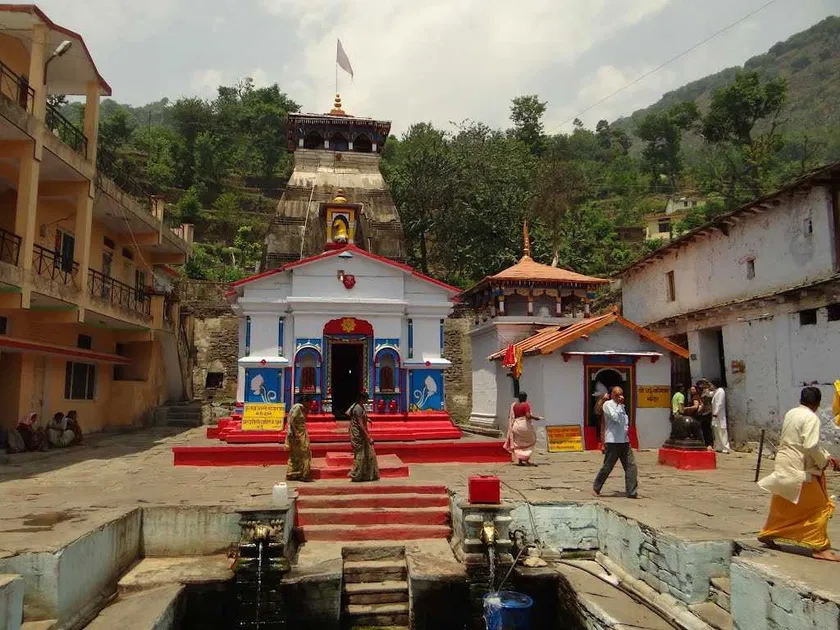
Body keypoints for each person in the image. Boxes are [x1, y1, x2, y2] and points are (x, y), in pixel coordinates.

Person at [757, 387, 840, 561]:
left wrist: (826, 456)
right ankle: (820, 547)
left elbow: (798, 443)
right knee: (821, 506)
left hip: (784, 464)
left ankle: (769, 532)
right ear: (817, 403)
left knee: (783, 504)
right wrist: (824, 461)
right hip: (800, 470)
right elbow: (809, 446)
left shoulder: (791, 413)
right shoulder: (811, 418)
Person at [592, 387, 638, 499]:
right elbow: (615, 418)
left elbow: (625, 422)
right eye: (617, 395)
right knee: (608, 466)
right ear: (612, 395)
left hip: (624, 441)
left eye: (621, 394)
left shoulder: (622, 406)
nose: (620, 397)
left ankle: (631, 492)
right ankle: (596, 487)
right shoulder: (608, 405)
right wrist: (618, 405)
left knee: (631, 466)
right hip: (613, 441)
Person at [503, 392, 544, 466]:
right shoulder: (525, 404)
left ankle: (520, 461)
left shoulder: (514, 405)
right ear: (525, 397)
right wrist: (536, 418)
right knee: (531, 441)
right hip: (524, 425)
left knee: (519, 443)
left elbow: (510, 416)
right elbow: (528, 416)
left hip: (515, 425)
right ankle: (526, 459)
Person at [347, 392, 379, 482]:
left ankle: (363, 473)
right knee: (360, 453)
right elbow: (360, 424)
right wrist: (368, 436)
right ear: (362, 399)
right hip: (358, 433)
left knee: (363, 452)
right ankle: (356, 474)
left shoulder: (358, 406)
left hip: (358, 431)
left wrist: (366, 419)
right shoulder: (358, 408)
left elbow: (357, 417)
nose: (367, 400)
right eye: (366, 399)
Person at [285, 395, 313, 482]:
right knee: (305, 453)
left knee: (296, 454)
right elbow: (292, 420)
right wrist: (296, 433)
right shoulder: (298, 407)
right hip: (298, 433)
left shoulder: (301, 408)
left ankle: (293, 473)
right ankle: (304, 474)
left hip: (298, 433)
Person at [711, 379, 730, 453]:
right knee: (716, 431)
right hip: (715, 415)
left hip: (719, 415)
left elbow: (720, 403)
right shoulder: (716, 391)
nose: (711, 386)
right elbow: (710, 394)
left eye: (712, 384)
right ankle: (719, 446)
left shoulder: (721, 391)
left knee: (722, 430)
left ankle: (726, 447)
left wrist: (716, 412)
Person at [696, 380, 714, 451]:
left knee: (707, 429)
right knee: (705, 429)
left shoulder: (706, 392)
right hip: (705, 412)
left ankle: (709, 444)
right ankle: (707, 444)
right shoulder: (704, 392)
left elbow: (704, 404)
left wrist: (699, 411)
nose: (700, 386)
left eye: (701, 385)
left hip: (706, 412)